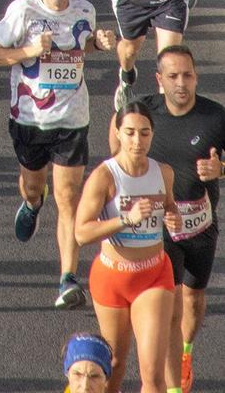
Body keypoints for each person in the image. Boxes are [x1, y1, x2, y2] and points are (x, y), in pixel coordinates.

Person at [0, 0, 118, 311]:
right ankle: (31, 203)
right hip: (29, 119)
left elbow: (81, 47)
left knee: (69, 199)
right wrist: (28, 50)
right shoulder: (23, 11)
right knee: (34, 187)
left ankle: (68, 278)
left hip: (72, 118)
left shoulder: (84, 10)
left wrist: (99, 43)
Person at [76, 104, 180, 393]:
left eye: (144, 133)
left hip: (154, 276)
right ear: (118, 134)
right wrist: (125, 219)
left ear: (152, 135)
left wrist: (173, 215)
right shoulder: (105, 177)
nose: (138, 141)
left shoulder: (164, 173)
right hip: (113, 277)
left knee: (153, 374)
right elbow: (81, 232)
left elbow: (169, 205)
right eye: (130, 133)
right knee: (115, 365)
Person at [142, 45, 225, 393]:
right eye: (173, 76)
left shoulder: (216, 117)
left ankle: (186, 352)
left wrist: (222, 169)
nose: (181, 83)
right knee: (173, 304)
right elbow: (118, 143)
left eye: (187, 75)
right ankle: (172, 379)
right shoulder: (145, 112)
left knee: (193, 298)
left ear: (196, 77)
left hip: (202, 227)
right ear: (160, 80)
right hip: (162, 228)